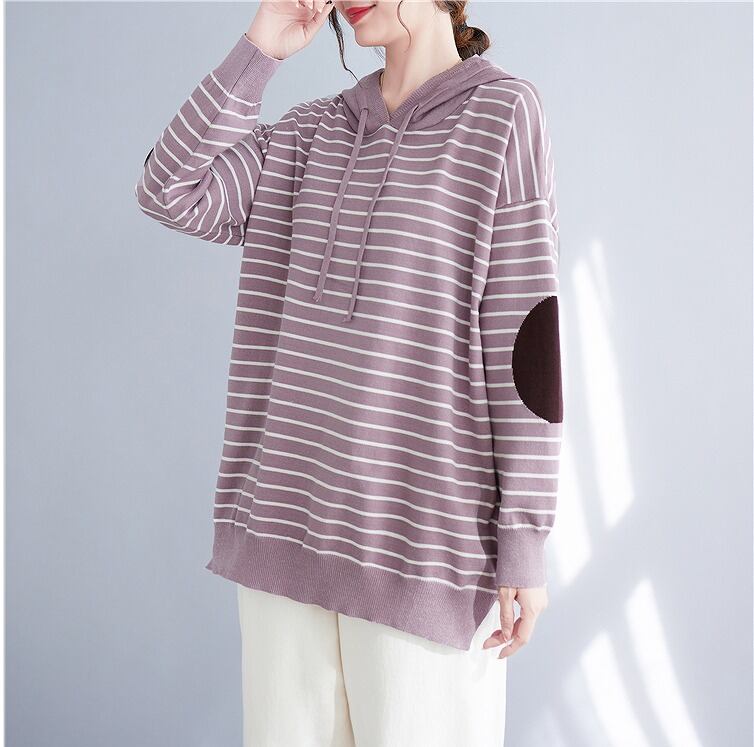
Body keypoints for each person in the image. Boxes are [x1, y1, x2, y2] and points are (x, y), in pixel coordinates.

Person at [135, 0, 563, 743]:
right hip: (283, 535)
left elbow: (526, 339)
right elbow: (169, 189)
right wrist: (261, 46)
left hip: (422, 550)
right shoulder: (309, 134)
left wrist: (523, 536)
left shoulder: (502, 115)